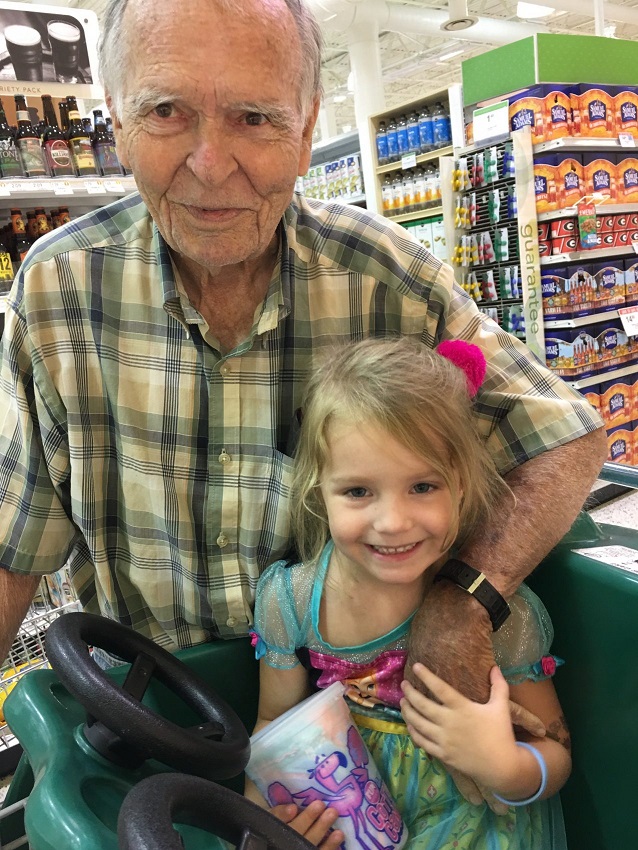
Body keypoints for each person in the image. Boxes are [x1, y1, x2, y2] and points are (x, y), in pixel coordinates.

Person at [0, 0, 603, 737]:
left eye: (255, 117)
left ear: (309, 124)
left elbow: (565, 437)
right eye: (165, 110)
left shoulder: (393, 282)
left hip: (357, 737)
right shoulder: (55, 290)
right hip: (146, 713)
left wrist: (469, 594)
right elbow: (17, 548)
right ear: (118, 124)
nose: (211, 165)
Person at [246, 337, 572, 849]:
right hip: (354, 825)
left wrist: (503, 765)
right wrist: (268, 819)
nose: (393, 522)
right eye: (358, 491)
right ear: (318, 491)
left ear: (461, 485)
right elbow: (273, 724)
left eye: (423, 486)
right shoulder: (290, 602)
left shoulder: (498, 613)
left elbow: (554, 752)